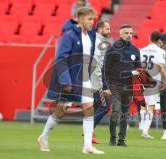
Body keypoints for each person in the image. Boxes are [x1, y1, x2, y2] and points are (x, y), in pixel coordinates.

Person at [37, 7, 104, 154]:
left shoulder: (91, 36)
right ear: (79, 19)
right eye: (89, 19)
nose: (92, 22)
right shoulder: (69, 35)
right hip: (70, 79)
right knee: (61, 111)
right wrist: (66, 80)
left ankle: (87, 145)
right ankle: (43, 136)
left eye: (93, 19)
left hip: (84, 78)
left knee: (89, 108)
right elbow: (61, 59)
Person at [104, 24, 141, 146]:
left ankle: (122, 140)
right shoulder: (112, 49)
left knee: (125, 114)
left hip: (128, 86)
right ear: (120, 34)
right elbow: (106, 69)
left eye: (131, 33)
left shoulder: (135, 50)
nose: (129, 35)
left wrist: (139, 81)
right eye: (126, 33)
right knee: (115, 111)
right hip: (115, 85)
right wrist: (106, 86)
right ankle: (112, 139)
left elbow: (138, 68)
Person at [139, 31, 166, 139]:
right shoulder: (160, 51)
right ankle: (145, 131)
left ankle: (142, 125)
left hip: (141, 79)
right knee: (151, 105)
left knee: (143, 103)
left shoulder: (142, 50)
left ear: (149, 38)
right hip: (153, 80)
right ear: (159, 40)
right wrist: (165, 80)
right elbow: (160, 67)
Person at [90, 20, 112, 144]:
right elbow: (97, 65)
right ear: (99, 29)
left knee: (96, 106)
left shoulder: (100, 42)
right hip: (94, 81)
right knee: (104, 105)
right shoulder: (98, 43)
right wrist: (103, 86)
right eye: (107, 29)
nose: (109, 31)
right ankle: (89, 130)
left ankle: (89, 131)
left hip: (93, 79)